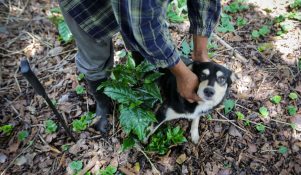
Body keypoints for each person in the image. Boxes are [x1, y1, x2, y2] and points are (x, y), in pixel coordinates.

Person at [58, 0, 221, 133]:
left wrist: (200, 54)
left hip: (139, 7)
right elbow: (144, 26)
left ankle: (146, 73)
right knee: (94, 55)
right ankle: (103, 103)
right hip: (87, 4)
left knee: (136, 36)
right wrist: (182, 74)